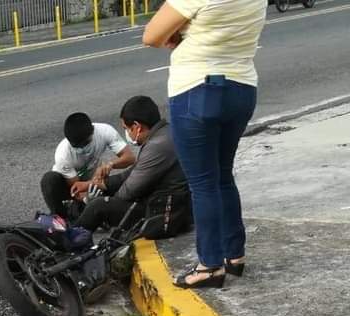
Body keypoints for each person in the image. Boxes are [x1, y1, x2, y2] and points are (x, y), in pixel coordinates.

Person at [143, 0, 267, 289]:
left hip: (197, 90)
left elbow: (151, 35)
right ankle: (234, 255)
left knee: (202, 184)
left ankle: (209, 266)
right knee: (223, 175)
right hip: (242, 88)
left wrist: (178, 35)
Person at [77, 95, 190, 236]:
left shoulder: (157, 146)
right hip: (168, 202)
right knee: (104, 194)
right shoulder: (165, 133)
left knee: (98, 206)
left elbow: (128, 192)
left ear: (137, 127)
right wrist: (101, 185)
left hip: (161, 214)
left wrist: (107, 202)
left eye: (126, 128)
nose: (127, 133)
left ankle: (71, 239)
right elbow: (134, 172)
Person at [40, 112, 134, 219]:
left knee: (129, 185)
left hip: (94, 181)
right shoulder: (63, 154)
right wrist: (87, 199)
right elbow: (77, 188)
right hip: (71, 186)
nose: (81, 148)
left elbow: (130, 158)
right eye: (76, 146)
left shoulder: (105, 131)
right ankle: (61, 217)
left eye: (85, 143)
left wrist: (110, 164)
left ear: (93, 131)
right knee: (49, 180)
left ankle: (84, 210)